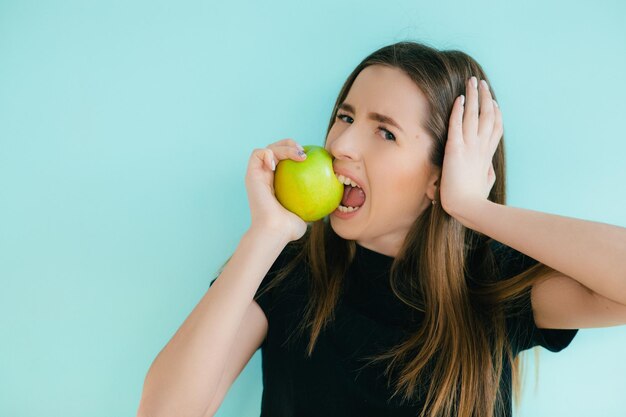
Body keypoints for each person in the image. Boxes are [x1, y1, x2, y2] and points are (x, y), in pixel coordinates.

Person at [137, 41, 626, 417]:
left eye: (385, 131)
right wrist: (264, 234)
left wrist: (472, 207)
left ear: (439, 174)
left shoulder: (490, 282)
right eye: (345, 116)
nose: (342, 142)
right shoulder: (286, 273)